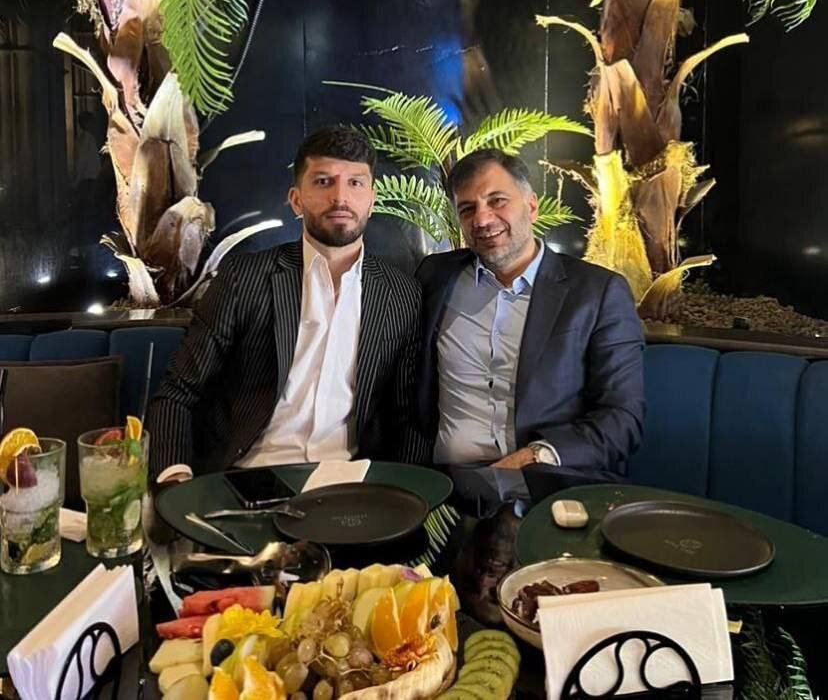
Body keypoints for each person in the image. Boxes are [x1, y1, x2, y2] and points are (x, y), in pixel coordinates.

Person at [147, 127, 428, 484]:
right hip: (247, 476)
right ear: (296, 200)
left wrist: (403, 491)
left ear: (371, 200)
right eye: (323, 181)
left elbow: (407, 415)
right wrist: (175, 482)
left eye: (355, 183)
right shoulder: (244, 278)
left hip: (350, 485)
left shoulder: (401, 294)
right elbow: (179, 390)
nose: (340, 197)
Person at [416, 149, 644, 486]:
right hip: (447, 486)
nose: (482, 219)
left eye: (497, 201)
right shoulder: (435, 276)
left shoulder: (597, 292)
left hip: (548, 483)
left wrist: (534, 457)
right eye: (467, 209)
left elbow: (622, 419)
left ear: (532, 206)